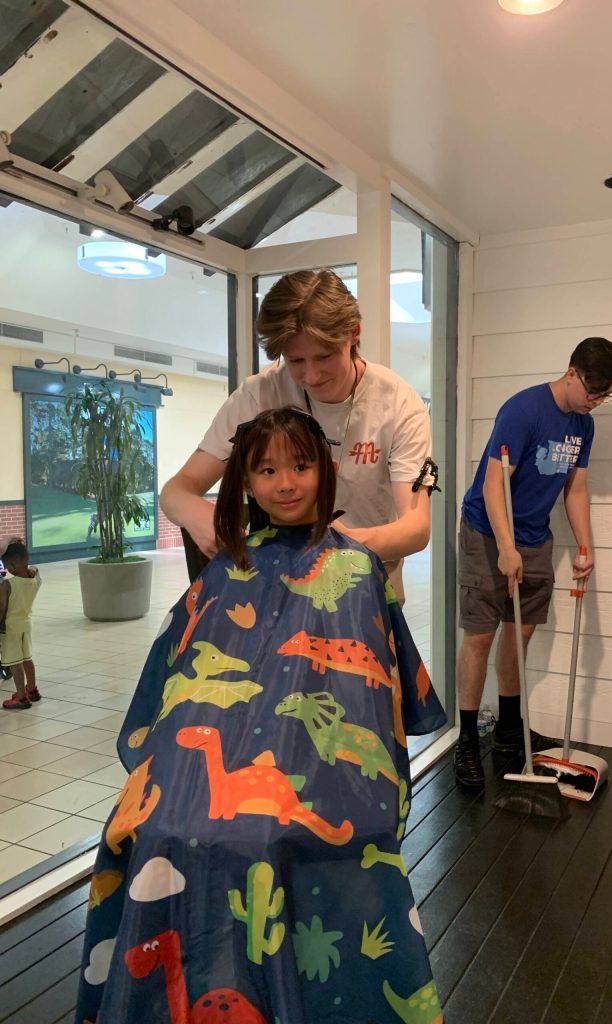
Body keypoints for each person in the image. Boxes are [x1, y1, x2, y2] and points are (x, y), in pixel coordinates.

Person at [76, 407, 446, 1024]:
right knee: (153, 826)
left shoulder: (356, 569)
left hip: (320, 775)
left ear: (325, 469)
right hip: (220, 757)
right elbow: (172, 675)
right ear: (245, 483)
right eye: (267, 470)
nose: (286, 483)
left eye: (299, 466)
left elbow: (382, 688)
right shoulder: (226, 567)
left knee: (280, 831)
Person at [160, 268, 435, 601]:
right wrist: (194, 510)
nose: (311, 375)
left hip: (367, 567)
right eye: (295, 360)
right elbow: (176, 491)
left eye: (324, 356)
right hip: (275, 576)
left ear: (353, 334)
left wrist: (341, 544)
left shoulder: (397, 404)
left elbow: (416, 528)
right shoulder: (259, 395)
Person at [453, 338, 612, 788]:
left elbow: (574, 488)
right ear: (571, 372)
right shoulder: (524, 410)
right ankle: (468, 742)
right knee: (480, 636)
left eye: (606, 394)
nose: (597, 401)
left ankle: (510, 731)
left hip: (535, 537)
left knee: (521, 632)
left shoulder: (583, 426)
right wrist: (505, 548)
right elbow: (494, 484)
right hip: (486, 532)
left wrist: (585, 546)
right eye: (594, 391)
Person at [0, 541, 42, 710]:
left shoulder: (7, 585)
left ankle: (21, 697)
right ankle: (32, 690)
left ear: (12, 564)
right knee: (27, 659)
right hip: (26, 624)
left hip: (10, 628)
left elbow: (2, 608)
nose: (6, 569)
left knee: (15, 663)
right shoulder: (35, 581)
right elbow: (35, 569)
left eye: (7, 565)